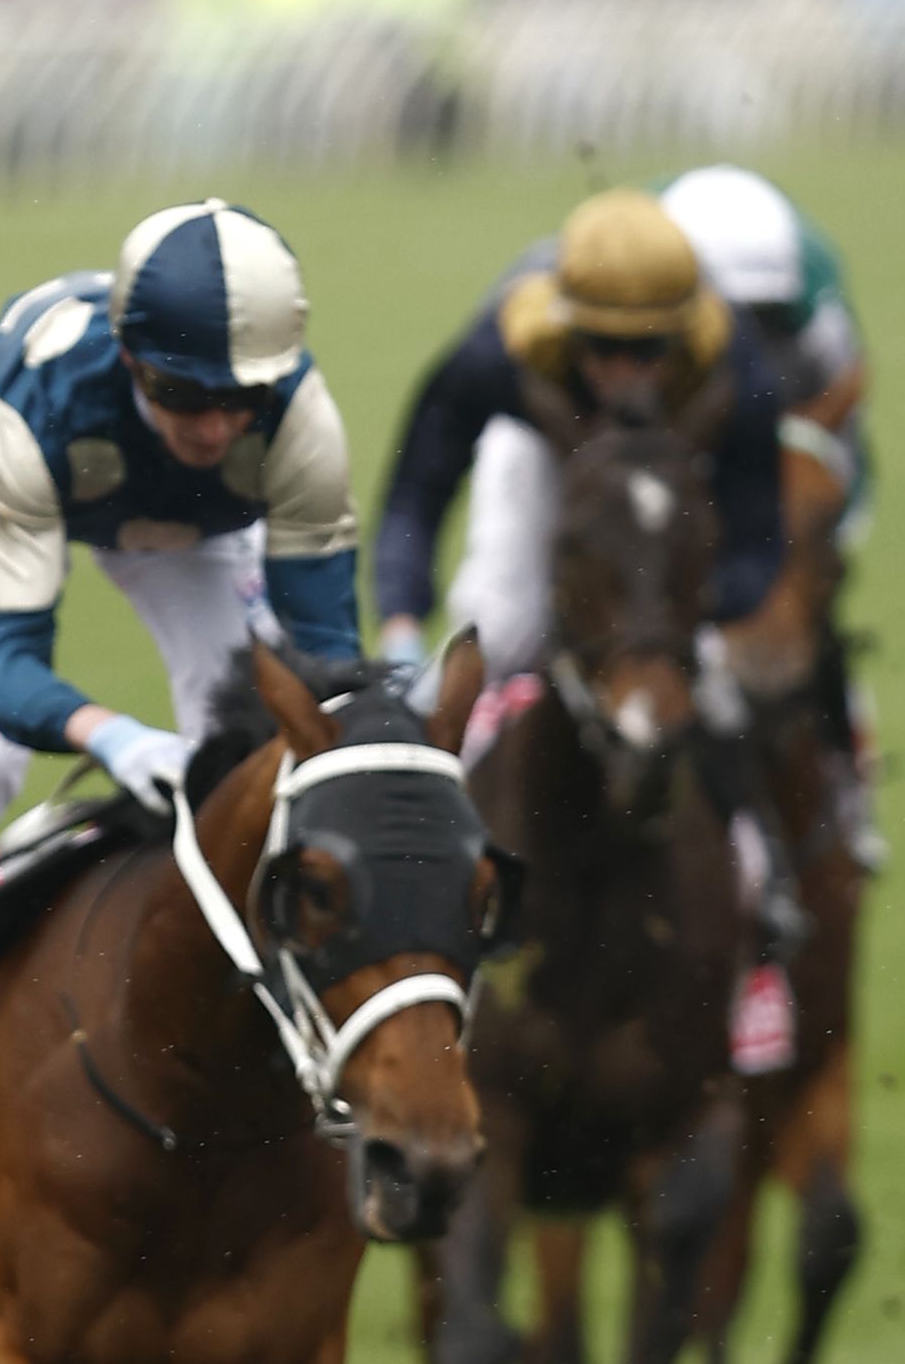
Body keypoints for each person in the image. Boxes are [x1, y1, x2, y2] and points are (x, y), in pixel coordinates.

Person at [0, 200, 362, 1163]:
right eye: (188, 397)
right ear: (134, 361)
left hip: (197, 526)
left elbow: (321, 658)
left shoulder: (299, 423)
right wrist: (110, 734)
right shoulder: (38, 404)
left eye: (244, 401)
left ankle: (294, 1024)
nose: (219, 423)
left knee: (268, 757)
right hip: (27, 461)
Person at [373, 187, 808, 949]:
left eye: (647, 351)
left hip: (671, 480)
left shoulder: (731, 364)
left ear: (685, 334)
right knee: (502, 628)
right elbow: (416, 492)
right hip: (542, 456)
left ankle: (760, 870)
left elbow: (755, 539)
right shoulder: (498, 353)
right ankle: (434, 834)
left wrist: (674, 623)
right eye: (603, 349)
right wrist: (405, 625)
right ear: (565, 329)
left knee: (713, 677)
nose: (625, 371)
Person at [663, 162, 880, 870]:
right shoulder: (645, 308)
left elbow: (842, 452)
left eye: (762, 315)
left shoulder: (819, 322)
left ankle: (848, 775)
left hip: (792, 444)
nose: (747, 335)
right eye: (733, 314)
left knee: (809, 598)